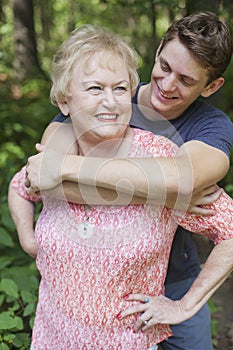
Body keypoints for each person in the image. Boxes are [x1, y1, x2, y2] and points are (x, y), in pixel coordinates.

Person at [8, 12, 233, 350]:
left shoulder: (203, 131)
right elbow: (30, 182)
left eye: (186, 80)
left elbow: (183, 180)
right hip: (56, 329)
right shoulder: (91, 111)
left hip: (162, 289)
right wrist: (31, 241)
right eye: (166, 68)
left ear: (211, 86)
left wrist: (184, 305)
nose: (169, 85)